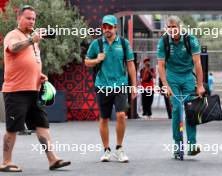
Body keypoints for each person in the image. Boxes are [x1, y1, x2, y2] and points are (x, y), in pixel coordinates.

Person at [0, 5, 71, 172]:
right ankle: (6, 162)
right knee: (12, 128)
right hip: (15, 91)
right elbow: (14, 48)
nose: (32, 21)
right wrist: (32, 40)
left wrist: (39, 75)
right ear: (19, 18)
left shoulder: (33, 39)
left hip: (34, 89)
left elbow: (30, 62)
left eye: (33, 18)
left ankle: (53, 159)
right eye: (28, 18)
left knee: (42, 125)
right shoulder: (13, 35)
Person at [85, 15, 136, 162]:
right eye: (104, 27)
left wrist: (134, 86)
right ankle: (106, 150)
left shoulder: (124, 44)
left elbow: (131, 65)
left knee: (121, 115)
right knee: (104, 118)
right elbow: (87, 62)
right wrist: (97, 59)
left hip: (120, 84)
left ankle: (119, 149)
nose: (106, 29)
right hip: (102, 85)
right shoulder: (97, 44)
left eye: (109, 26)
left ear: (115, 27)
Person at [157, 16, 205, 158]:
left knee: (191, 109)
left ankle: (192, 144)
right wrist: (165, 86)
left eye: (174, 27)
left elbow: (197, 64)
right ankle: (177, 146)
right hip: (172, 77)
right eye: (169, 27)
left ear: (180, 27)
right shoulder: (164, 41)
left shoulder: (190, 40)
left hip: (188, 77)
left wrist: (200, 85)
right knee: (177, 109)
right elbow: (160, 65)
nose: (172, 30)